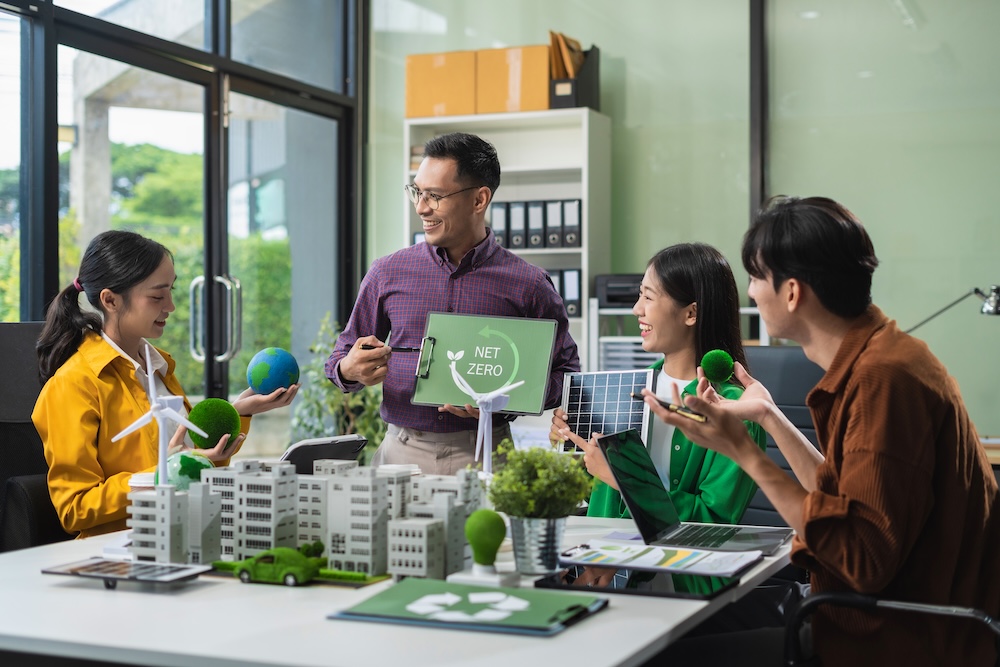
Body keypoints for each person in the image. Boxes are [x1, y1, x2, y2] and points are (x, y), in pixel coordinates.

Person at [649, 197, 1000, 666]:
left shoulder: (884, 382)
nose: (750, 293)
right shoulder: (879, 359)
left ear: (792, 292)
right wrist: (769, 416)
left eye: (755, 278)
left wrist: (748, 455)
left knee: (656, 653)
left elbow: (860, 560)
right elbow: (840, 503)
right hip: (854, 614)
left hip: (887, 638)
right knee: (666, 619)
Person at [325, 132, 580, 475]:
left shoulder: (528, 284)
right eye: (417, 191)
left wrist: (501, 404)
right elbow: (340, 357)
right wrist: (349, 369)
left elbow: (566, 375)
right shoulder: (388, 272)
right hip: (400, 454)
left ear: (479, 200)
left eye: (435, 196)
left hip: (487, 453)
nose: (421, 207)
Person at [33, 230, 298, 539]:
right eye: (157, 296)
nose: (170, 306)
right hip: (128, 549)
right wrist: (162, 474)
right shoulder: (74, 384)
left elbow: (188, 460)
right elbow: (75, 507)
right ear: (110, 300)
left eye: (171, 291)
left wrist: (240, 411)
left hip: (188, 535)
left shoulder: (159, 368)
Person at [553, 243, 766, 524]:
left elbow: (714, 521)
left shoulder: (737, 411)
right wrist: (571, 447)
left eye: (649, 298)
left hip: (678, 565)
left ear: (691, 313)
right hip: (606, 559)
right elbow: (598, 495)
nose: (636, 309)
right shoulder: (627, 389)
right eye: (639, 295)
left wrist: (624, 479)